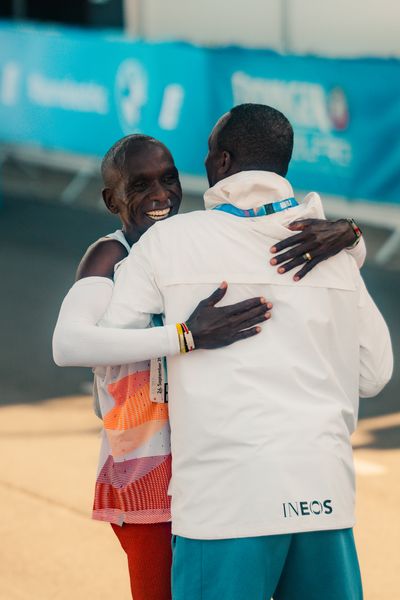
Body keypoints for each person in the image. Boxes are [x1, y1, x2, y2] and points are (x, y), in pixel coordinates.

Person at [53, 122, 374, 600]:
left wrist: (350, 235)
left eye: (169, 179)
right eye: (139, 186)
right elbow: (69, 346)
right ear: (111, 200)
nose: (160, 194)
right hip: (151, 471)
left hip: (214, 467)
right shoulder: (109, 255)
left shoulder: (197, 240)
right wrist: (185, 337)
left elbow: (283, 257)